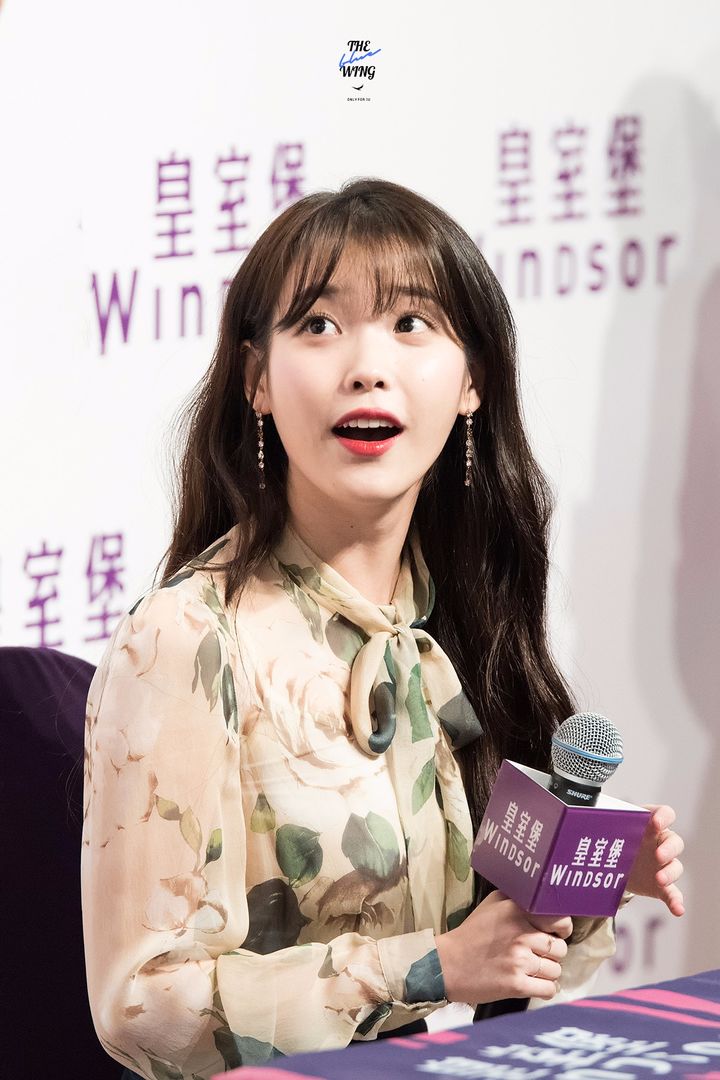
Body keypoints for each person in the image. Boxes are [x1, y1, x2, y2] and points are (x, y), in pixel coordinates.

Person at [81, 177, 685, 1080]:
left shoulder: (443, 623)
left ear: (472, 381)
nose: (367, 366)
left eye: (411, 323)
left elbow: (498, 973)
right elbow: (141, 1007)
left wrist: (584, 878)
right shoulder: (186, 638)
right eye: (320, 325)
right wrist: (430, 966)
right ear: (256, 380)